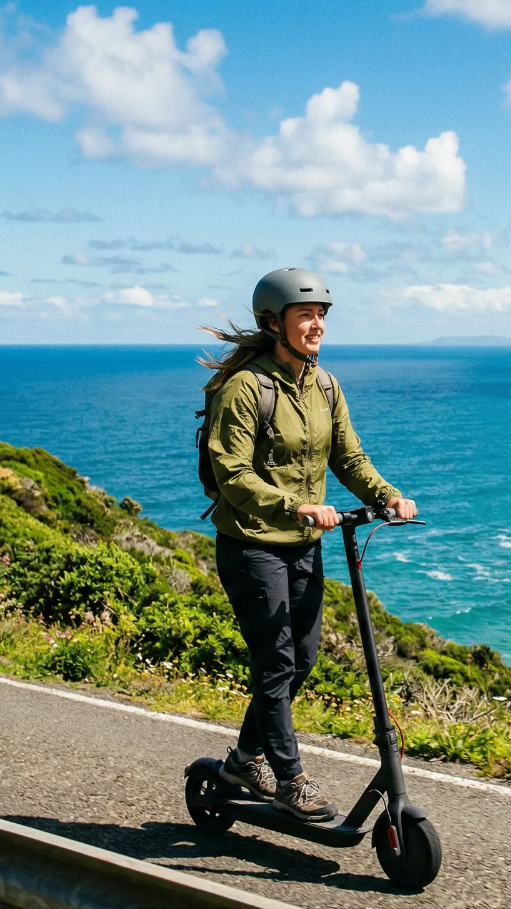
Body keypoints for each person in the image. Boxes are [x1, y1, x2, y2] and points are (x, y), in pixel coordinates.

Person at [199, 267, 417, 821]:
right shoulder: (246, 388)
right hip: (252, 544)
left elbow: (349, 456)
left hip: (303, 543)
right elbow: (232, 474)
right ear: (274, 323)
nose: (317, 323)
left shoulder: (324, 384)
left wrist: (388, 495)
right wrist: (293, 505)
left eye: (322, 314)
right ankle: (289, 779)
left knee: (302, 659)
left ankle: (245, 759)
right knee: (274, 662)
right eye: (305, 314)